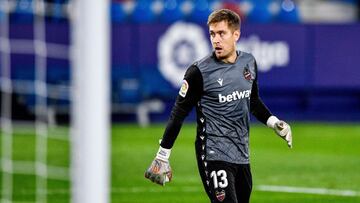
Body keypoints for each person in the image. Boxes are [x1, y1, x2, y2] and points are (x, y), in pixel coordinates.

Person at [145, 8, 292, 203]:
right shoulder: (199, 71)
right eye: (212, 34)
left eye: (221, 33)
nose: (216, 40)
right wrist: (163, 154)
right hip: (213, 154)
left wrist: (274, 122)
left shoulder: (248, 62)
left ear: (236, 34)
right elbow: (178, 112)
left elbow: (253, 101)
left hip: (242, 155)